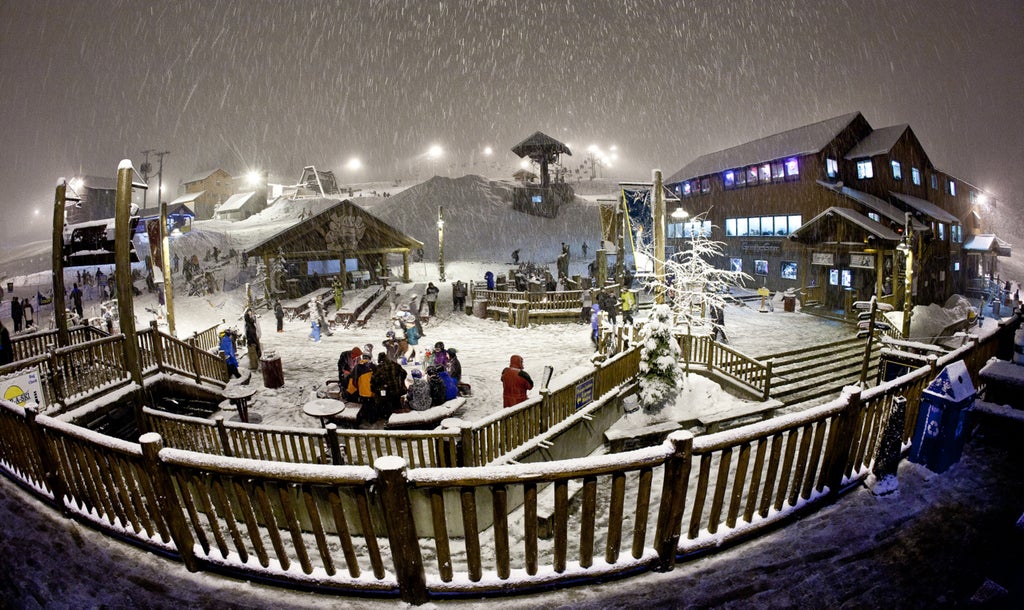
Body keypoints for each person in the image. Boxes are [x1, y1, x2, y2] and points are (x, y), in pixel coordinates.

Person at [372, 352, 407, 419]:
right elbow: (404, 373)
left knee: (383, 401)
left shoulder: (378, 368)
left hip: (386, 393)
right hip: (396, 390)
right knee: (396, 402)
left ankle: (385, 416)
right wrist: (401, 383)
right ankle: (398, 415)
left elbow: (374, 380)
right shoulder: (395, 365)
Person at [353, 353, 379, 422]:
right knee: (372, 405)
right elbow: (378, 378)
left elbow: (354, 381)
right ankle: (372, 419)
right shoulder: (373, 366)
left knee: (365, 405)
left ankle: (364, 418)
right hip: (372, 391)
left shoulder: (357, 367)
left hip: (362, 391)